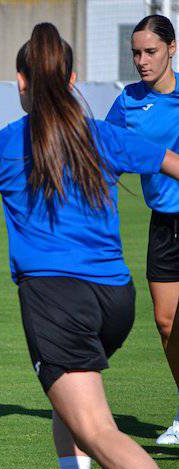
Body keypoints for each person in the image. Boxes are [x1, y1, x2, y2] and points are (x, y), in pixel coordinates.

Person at [0, 23, 179, 469]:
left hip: (57, 299)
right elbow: (173, 164)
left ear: (21, 82)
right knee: (67, 396)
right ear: (72, 80)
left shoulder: (4, 143)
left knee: (96, 428)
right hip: (116, 300)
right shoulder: (102, 135)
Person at [105, 14, 179, 445]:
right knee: (167, 323)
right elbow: (101, 147)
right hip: (164, 224)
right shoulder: (129, 101)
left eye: (150, 51)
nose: (141, 60)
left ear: (172, 48)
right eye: (135, 53)